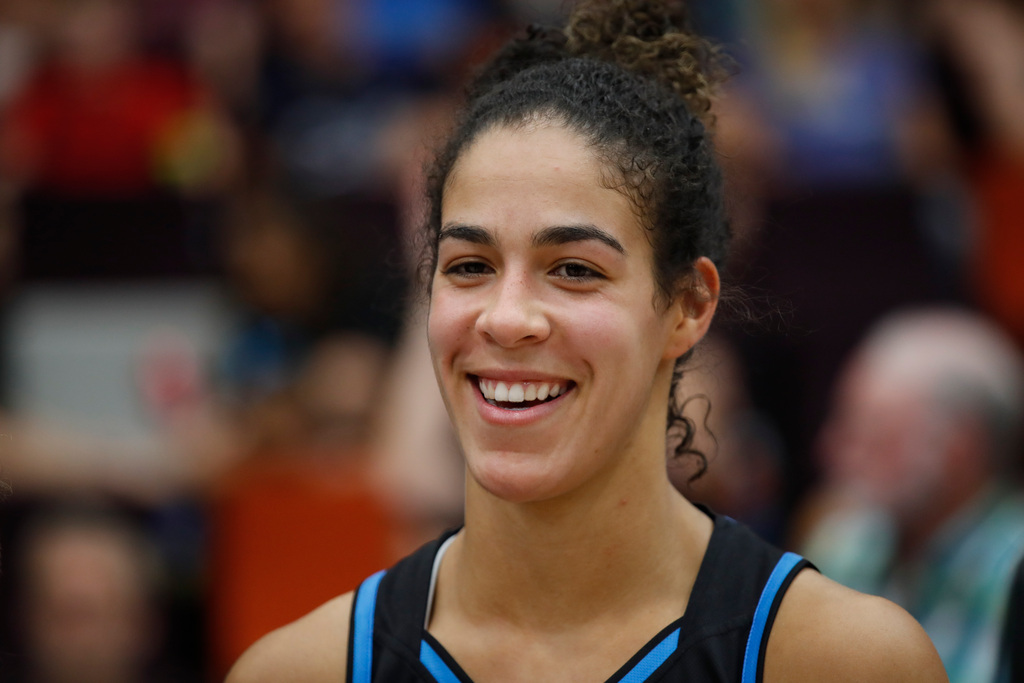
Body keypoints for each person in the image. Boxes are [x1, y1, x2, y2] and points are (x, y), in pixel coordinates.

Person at [226, 1, 946, 681]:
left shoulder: (840, 659)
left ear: (689, 306)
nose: (506, 318)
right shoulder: (301, 670)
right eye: (469, 266)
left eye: (574, 269)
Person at [800, 308, 1024, 683]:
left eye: (869, 433)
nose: (829, 449)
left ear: (958, 448)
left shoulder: (1012, 569)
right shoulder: (845, 544)